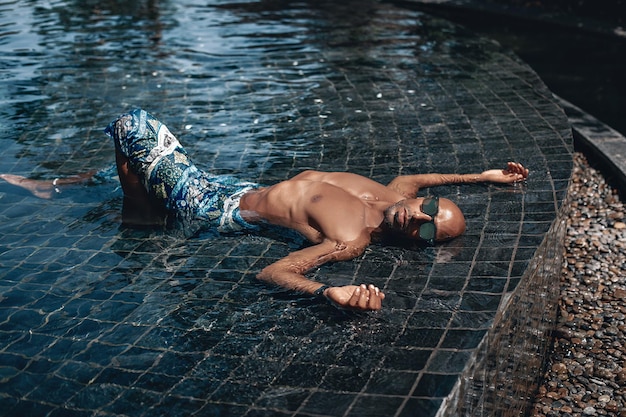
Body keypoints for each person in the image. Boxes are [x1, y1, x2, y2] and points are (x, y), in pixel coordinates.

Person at [1, 109, 528, 311]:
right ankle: (54, 187)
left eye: (428, 231)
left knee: (133, 127)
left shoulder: (350, 242)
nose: (417, 216)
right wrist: (482, 177)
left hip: (214, 208)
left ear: (419, 242)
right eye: (429, 208)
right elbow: (416, 177)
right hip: (242, 184)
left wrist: (331, 293)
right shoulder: (392, 195)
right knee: (105, 176)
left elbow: (273, 270)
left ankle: (141, 212)